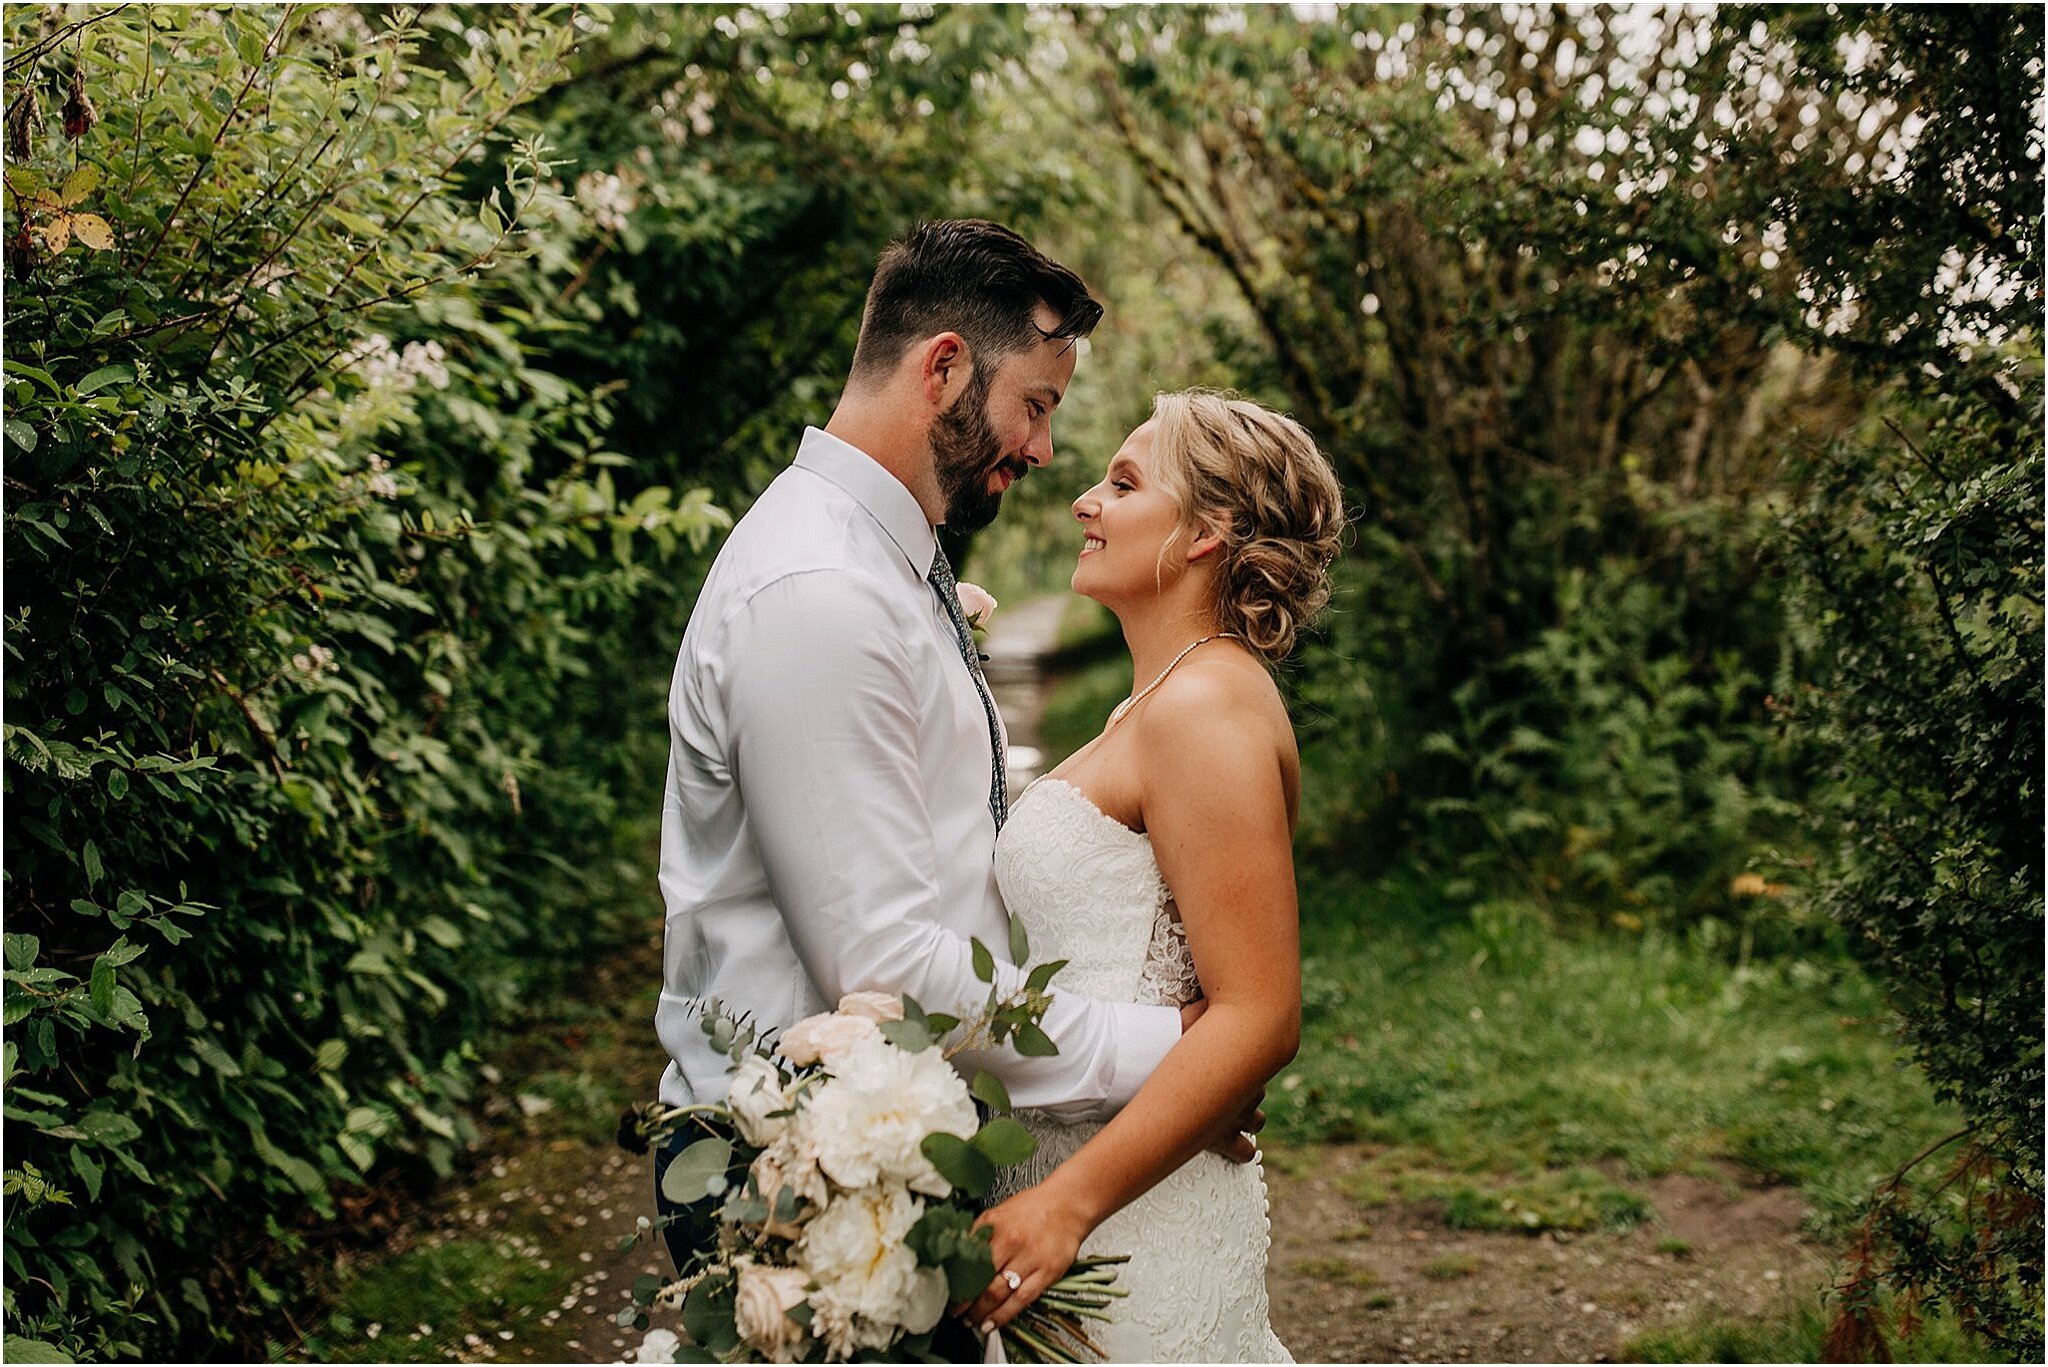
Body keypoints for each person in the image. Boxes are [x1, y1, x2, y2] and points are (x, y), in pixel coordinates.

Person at [650, 221, 1258, 1271]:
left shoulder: (883, 564)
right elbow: (884, 962)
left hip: (881, 1149)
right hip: (798, 1174)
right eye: (1035, 404)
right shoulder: (819, 594)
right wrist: (1172, 1053)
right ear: (942, 368)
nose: (1042, 450)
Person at [962, 390, 1346, 1362]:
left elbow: (1259, 1011)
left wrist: (1066, 1203)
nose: (1086, 499)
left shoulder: (1204, 705)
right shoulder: (1159, 700)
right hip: (1073, 1175)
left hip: (1126, 1219)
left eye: (1124, 483)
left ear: (1207, 530)